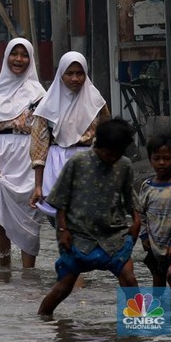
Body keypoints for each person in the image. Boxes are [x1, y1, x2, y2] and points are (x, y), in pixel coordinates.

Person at [37, 118, 140, 316]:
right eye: (109, 154)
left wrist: (136, 221)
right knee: (64, 287)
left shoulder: (124, 165)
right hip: (78, 235)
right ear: (98, 146)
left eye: (118, 155)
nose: (112, 159)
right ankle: (42, 321)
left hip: (113, 235)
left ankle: (140, 328)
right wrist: (63, 230)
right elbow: (60, 199)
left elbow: (129, 197)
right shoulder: (78, 162)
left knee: (129, 279)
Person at [0, 38, 46, 268]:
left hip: (27, 159)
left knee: (29, 218)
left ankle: (28, 276)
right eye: (14, 54)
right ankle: (2, 272)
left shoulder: (39, 94)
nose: (19, 59)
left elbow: (44, 134)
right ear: (6, 57)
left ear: (30, 59)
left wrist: (41, 169)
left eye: (24, 55)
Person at [29, 52, 111, 219]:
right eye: (70, 73)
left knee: (87, 218)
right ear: (61, 75)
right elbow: (39, 148)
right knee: (61, 220)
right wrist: (38, 186)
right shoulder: (47, 106)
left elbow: (107, 137)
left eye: (80, 73)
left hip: (90, 163)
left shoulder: (97, 102)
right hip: (57, 164)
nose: (75, 78)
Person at [139, 133, 171, 295]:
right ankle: (163, 314)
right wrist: (144, 236)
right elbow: (140, 214)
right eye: (157, 158)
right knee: (158, 280)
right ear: (150, 159)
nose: (161, 162)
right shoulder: (146, 186)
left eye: (167, 158)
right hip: (154, 245)